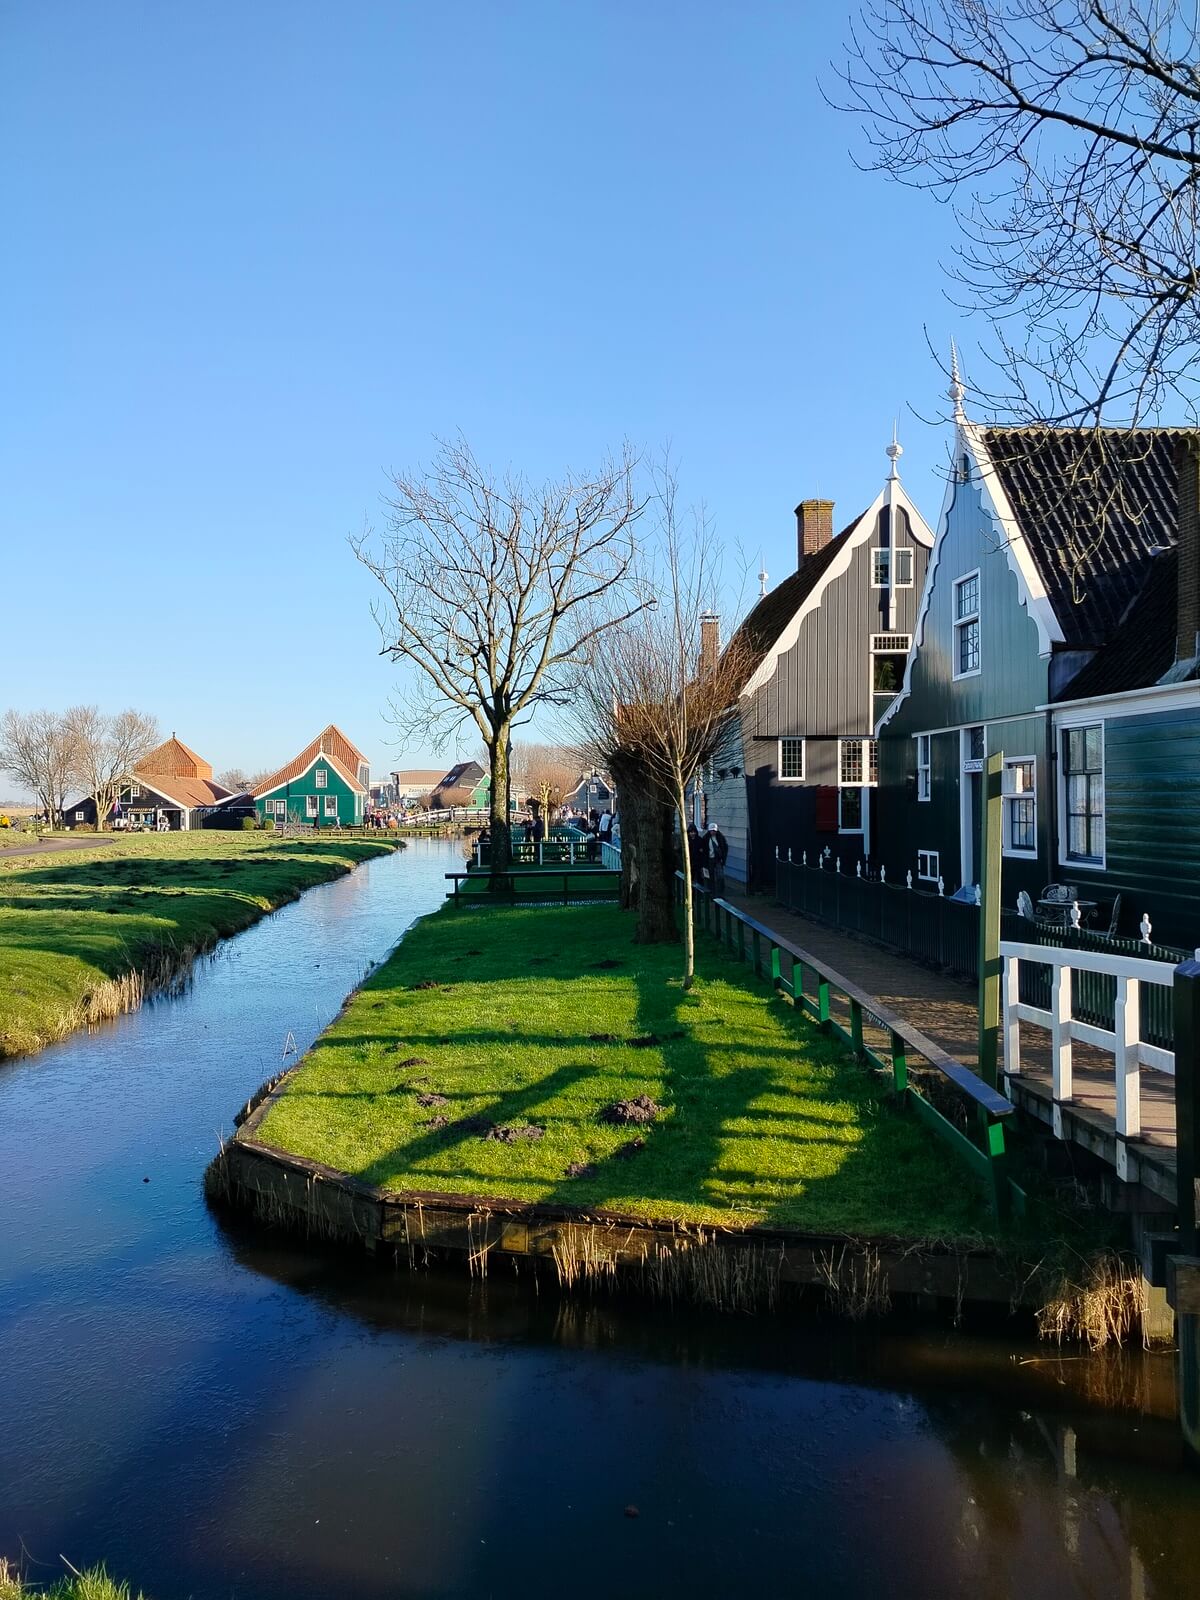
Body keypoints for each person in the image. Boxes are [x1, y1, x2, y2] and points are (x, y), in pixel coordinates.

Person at [703, 821, 728, 895]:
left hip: (718, 860)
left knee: (720, 877)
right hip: (709, 859)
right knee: (710, 877)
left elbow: (725, 848)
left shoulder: (720, 837)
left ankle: (720, 893)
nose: (713, 832)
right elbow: (704, 850)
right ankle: (711, 893)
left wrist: (723, 859)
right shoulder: (706, 838)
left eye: (714, 830)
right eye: (711, 830)